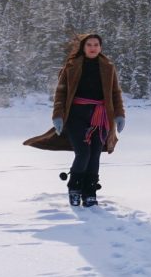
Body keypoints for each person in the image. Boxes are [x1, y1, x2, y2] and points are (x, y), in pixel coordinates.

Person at [51, 33, 126, 207]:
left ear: (100, 47)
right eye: (89, 45)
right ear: (83, 47)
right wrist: (58, 115)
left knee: (94, 155)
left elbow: (115, 93)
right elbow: (61, 92)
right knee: (83, 153)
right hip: (76, 115)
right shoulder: (71, 66)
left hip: (100, 117)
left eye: (96, 45)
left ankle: (90, 192)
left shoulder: (108, 67)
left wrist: (119, 114)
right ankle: (74, 188)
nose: (93, 48)